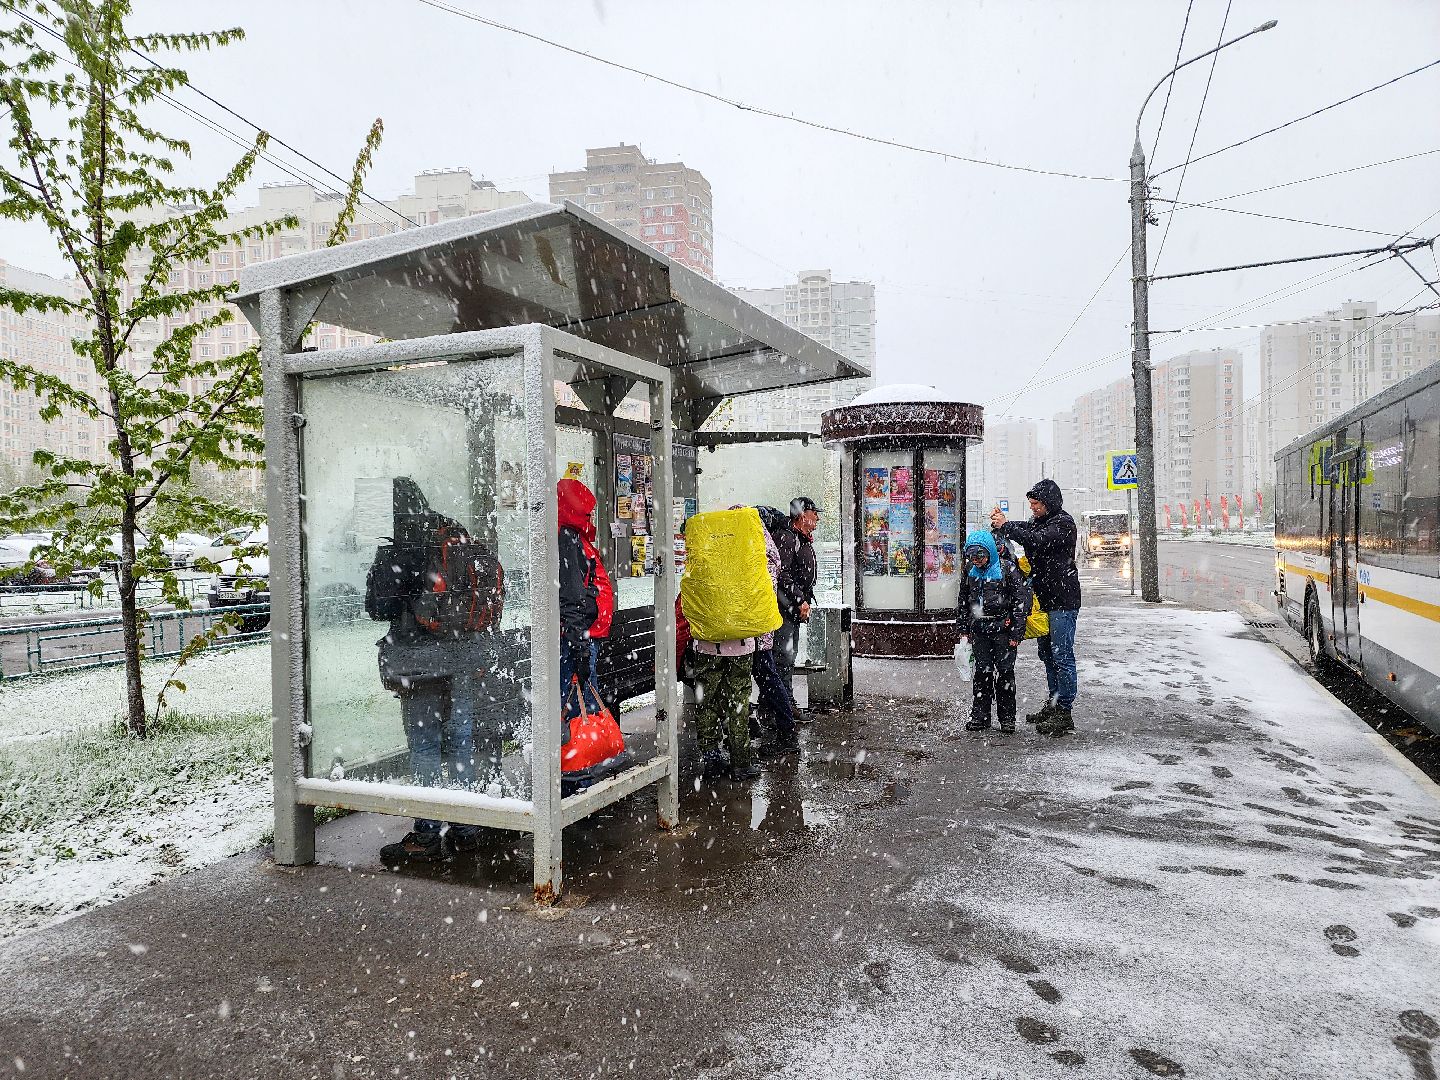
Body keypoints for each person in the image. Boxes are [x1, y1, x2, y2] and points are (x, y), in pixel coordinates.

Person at [991, 479, 1081, 737]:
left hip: (1063, 601)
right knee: (1048, 655)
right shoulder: (1039, 522)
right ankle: (1053, 704)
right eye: (1030, 504)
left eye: (1036, 504)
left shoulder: (1063, 524)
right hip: (1044, 602)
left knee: (1062, 656)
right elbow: (1026, 529)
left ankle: (1064, 712)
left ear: (1049, 504)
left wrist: (1006, 526)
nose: (1033, 508)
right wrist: (1004, 524)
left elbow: (1038, 539)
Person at [956, 529, 1030, 734]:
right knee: (982, 673)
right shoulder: (970, 571)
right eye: (971, 556)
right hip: (980, 631)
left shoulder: (1007, 569)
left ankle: (1007, 719)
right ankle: (981, 717)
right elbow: (963, 601)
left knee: (1005, 674)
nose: (976, 560)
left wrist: (1016, 633)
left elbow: (1020, 603)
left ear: (989, 552)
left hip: (1003, 631)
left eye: (980, 555)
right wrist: (963, 628)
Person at [557, 478, 614, 720]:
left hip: (584, 635)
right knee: (582, 703)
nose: (591, 518)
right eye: (587, 514)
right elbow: (572, 597)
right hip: (579, 637)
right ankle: (588, 754)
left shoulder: (575, 537)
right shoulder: (568, 540)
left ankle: (588, 752)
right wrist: (580, 646)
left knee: (583, 698)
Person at [753, 522, 800, 757]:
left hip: (753, 631)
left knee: (770, 676)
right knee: (770, 677)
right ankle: (784, 730)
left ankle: (784, 731)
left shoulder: (762, 551)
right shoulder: (768, 549)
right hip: (758, 629)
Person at [773, 495, 820, 716]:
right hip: (784, 609)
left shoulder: (800, 537)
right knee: (783, 658)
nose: (817, 518)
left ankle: (781, 707)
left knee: (787, 657)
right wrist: (799, 600)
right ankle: (783, 708)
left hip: (791, 609)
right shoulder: (788, 538)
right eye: (814, 513)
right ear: (802, 515)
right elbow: (782, 574)